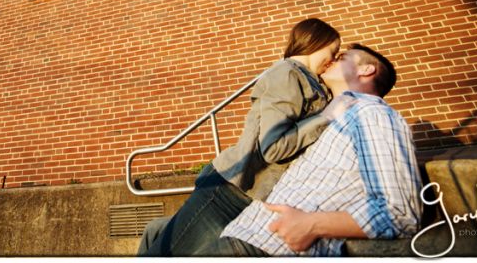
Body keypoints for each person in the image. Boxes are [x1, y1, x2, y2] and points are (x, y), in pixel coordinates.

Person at [142, 18, 356, 256]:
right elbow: (273, 147)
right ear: (317, 40)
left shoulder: (310, 81)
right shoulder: (287, 73)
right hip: (229, 192)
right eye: (333, 51)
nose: (334, 59)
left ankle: (156, 231)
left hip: (250, 196)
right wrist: (326, 116)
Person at [196, 43, 422, 256]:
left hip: (268, 250)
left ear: (366, 69)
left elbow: (400, 212)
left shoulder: (372, 114)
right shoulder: (336, 117)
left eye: (342, 57)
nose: (331, 59)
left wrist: (311, 224)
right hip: (242, 237)